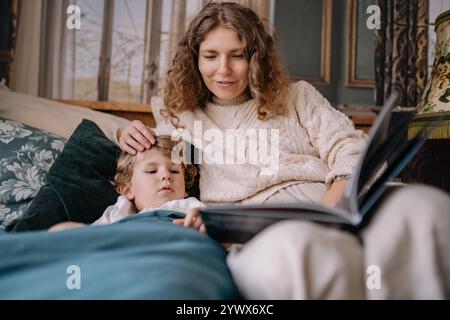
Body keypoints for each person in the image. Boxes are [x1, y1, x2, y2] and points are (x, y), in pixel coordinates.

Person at [117, 2, 450, 299]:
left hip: (337, 201)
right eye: (211, 56)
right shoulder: (183, 116)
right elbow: (155, 163)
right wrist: (123, 131)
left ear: (256, 57)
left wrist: (333, 204)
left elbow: (348, 145)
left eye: (238, 55)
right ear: (195, 58)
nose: (224, 70)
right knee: (302, 248)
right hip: (262, 228)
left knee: (423, 206)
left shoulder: (298, 97)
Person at [49, 136, 206, 233]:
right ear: (127, 189)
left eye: (174, 171)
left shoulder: (192, 206)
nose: (166, 175)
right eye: (152, 171)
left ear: (185, 189)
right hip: (125, 244)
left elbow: (223, 237)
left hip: (171, 244)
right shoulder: (120, 210)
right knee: (61, 230)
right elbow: (95, 236)